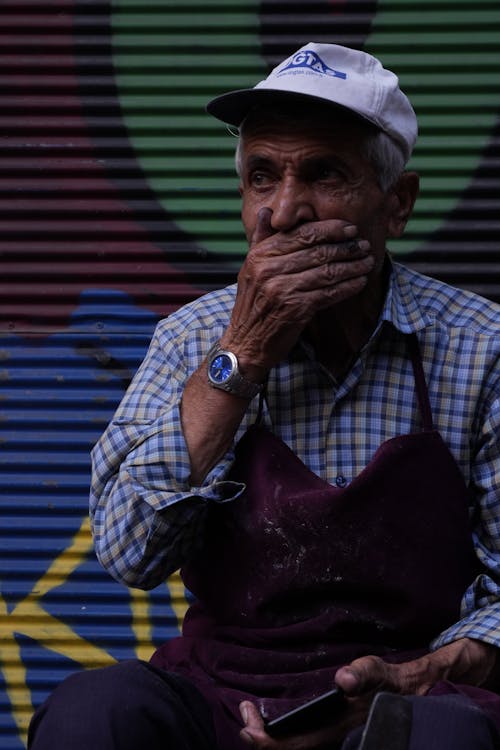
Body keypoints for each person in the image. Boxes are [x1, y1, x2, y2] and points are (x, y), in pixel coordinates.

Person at [28, 42, 500, 750]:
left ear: (397, 204)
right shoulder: (192, 339)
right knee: (95, 713)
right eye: (261, 178)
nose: (283, 213)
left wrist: (416, 677)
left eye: (324, 174)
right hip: (224, 693)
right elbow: (130, 552)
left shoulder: (480, 345)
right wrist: (240, 356)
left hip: (410, 691)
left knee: (435, 736)